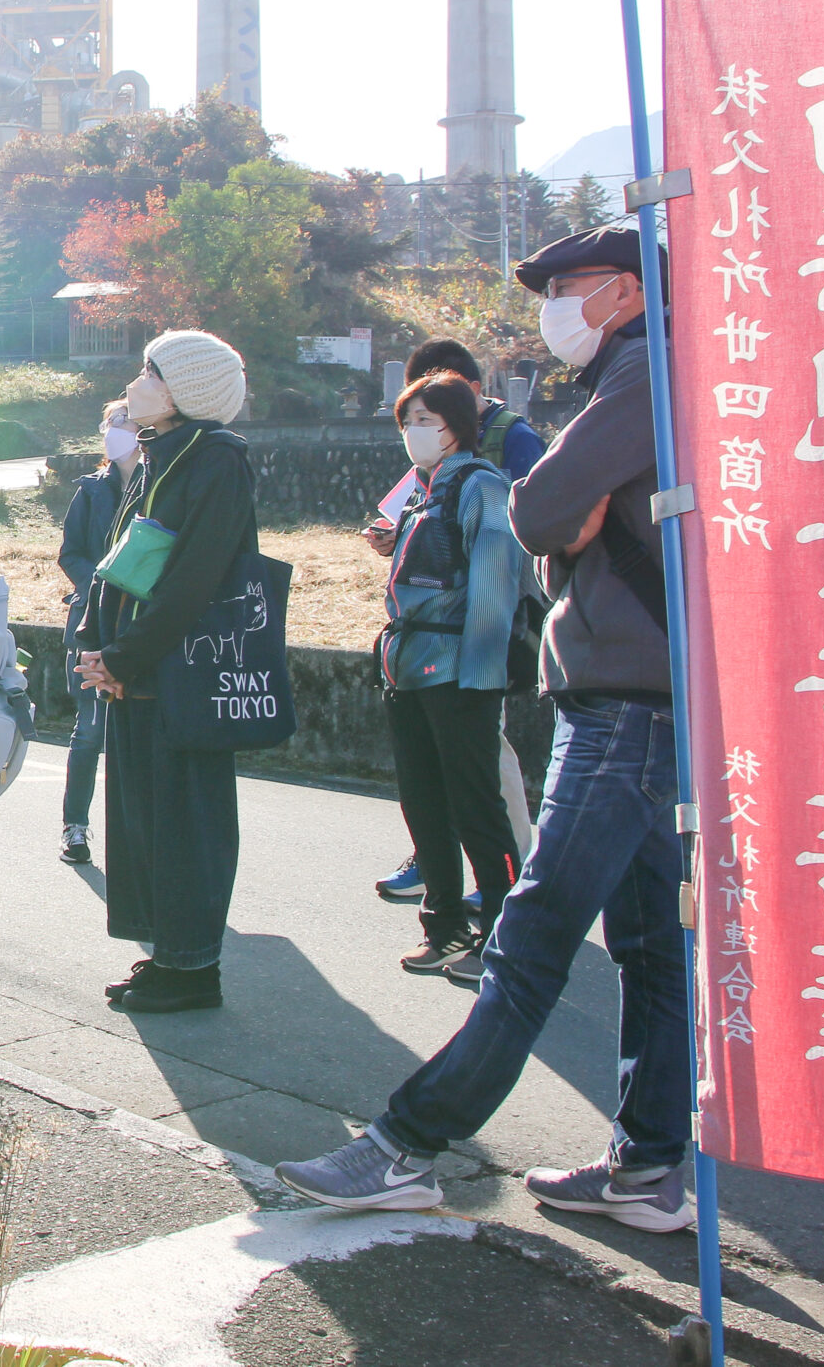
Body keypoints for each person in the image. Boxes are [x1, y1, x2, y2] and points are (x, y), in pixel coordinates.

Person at [277, 226, 696, 1235]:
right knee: (645, 942)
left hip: (623, 698)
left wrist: (565, 515)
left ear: (625, 291)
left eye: (569, 287)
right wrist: (567, 520)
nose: (553, 306)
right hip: (655, 691)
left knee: (533, 932)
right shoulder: (664, 370)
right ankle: (647, 1166)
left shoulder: (643, 371)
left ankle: (406, 1142)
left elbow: (541, 505)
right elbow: (559, 515)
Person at [73, 330, 259, 1016]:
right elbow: (118, 558)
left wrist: (124, 657)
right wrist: (100, 646)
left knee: (187, 821)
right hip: (139, 672)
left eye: (150, 372)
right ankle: (165, 952)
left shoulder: (217, 461)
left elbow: (194, 578)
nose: (135, 382)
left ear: (184, 391)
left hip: (180, 671)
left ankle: (193, 966)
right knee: (146, 819)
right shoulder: (161, 454)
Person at [372, 337, 545, 903]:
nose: (414, 431)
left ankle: (499, 917)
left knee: (475, 803)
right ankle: (441, 920)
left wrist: (480, 682)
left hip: (459, 674)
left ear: (456, 424)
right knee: (421, 800)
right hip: (410, 670)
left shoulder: (482, 488)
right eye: (408, 421)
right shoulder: (422, 495)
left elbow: (494, 596)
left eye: (426, 419)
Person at [53, 399, 136, 866]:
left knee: (137, 737)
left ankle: (135, 832)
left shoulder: (155, 486)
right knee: (89, 732)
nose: (115, 430)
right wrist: (104, 584)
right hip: (92, 624)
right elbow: (70, 553)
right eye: (109, 423)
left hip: (141, 626)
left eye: (124, 422)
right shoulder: (90, 491)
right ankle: (75, 826)